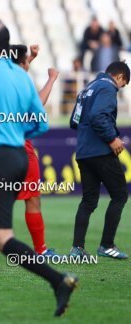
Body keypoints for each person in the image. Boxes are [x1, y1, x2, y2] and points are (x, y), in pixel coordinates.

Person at [0, 19, 77, 317]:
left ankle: (59, 281)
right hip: (18, 156)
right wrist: (17, 136)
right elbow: (41, 122)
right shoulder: (21, 76)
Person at [0, 44, 61, 257]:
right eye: (27, 61)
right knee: (32, 200)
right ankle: (40, 250)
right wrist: (52, 79)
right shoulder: (18, 84)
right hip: (19, 152)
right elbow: (37, 105)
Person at [69, 61, 129, 259]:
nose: (121, 88)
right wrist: (111, 138)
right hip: (100, 151)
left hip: (83, 151)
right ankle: (106, 245)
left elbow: (74, 121)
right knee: (120, 194)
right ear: (119, 77)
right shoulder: (107, 87)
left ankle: (77, 248)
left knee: (89, 200)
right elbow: (97, 115)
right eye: (124, 83)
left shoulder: (87, 89)